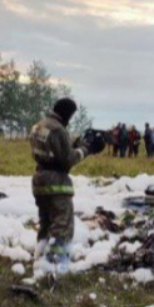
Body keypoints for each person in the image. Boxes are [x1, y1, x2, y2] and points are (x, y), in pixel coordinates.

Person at [30, 98, 105, 274]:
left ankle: (40, 255)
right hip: (56, 182)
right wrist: (86, 149)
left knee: (46, 221)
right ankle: (54, 263)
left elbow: (53, 151)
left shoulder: (39, 126)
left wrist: (74, 144)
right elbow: (67, 160)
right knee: (62, 223)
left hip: (39, 178)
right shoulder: (58, 130)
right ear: (68, 113)